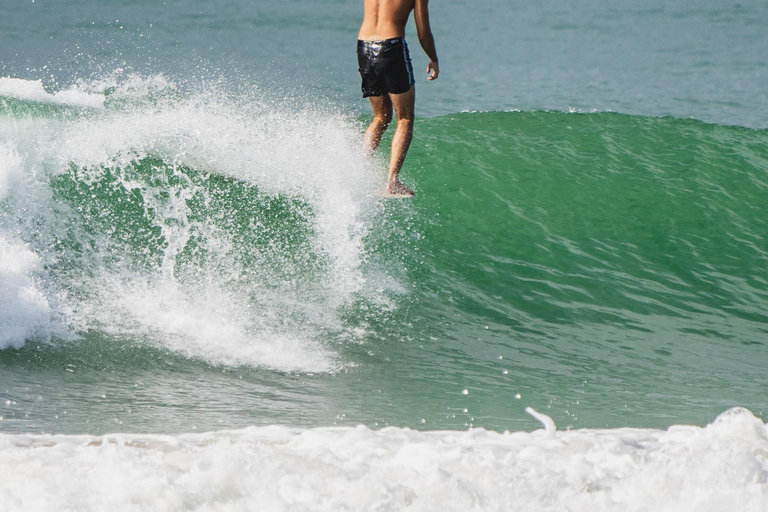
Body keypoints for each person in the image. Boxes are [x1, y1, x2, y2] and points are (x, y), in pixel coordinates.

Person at [357, 0, 439, 197]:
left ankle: (357, 170)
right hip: (391, 47)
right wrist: (433, 58)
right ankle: (392, 182)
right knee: (405, 118)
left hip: (363, 46)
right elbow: (423, 32)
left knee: (380, 117)